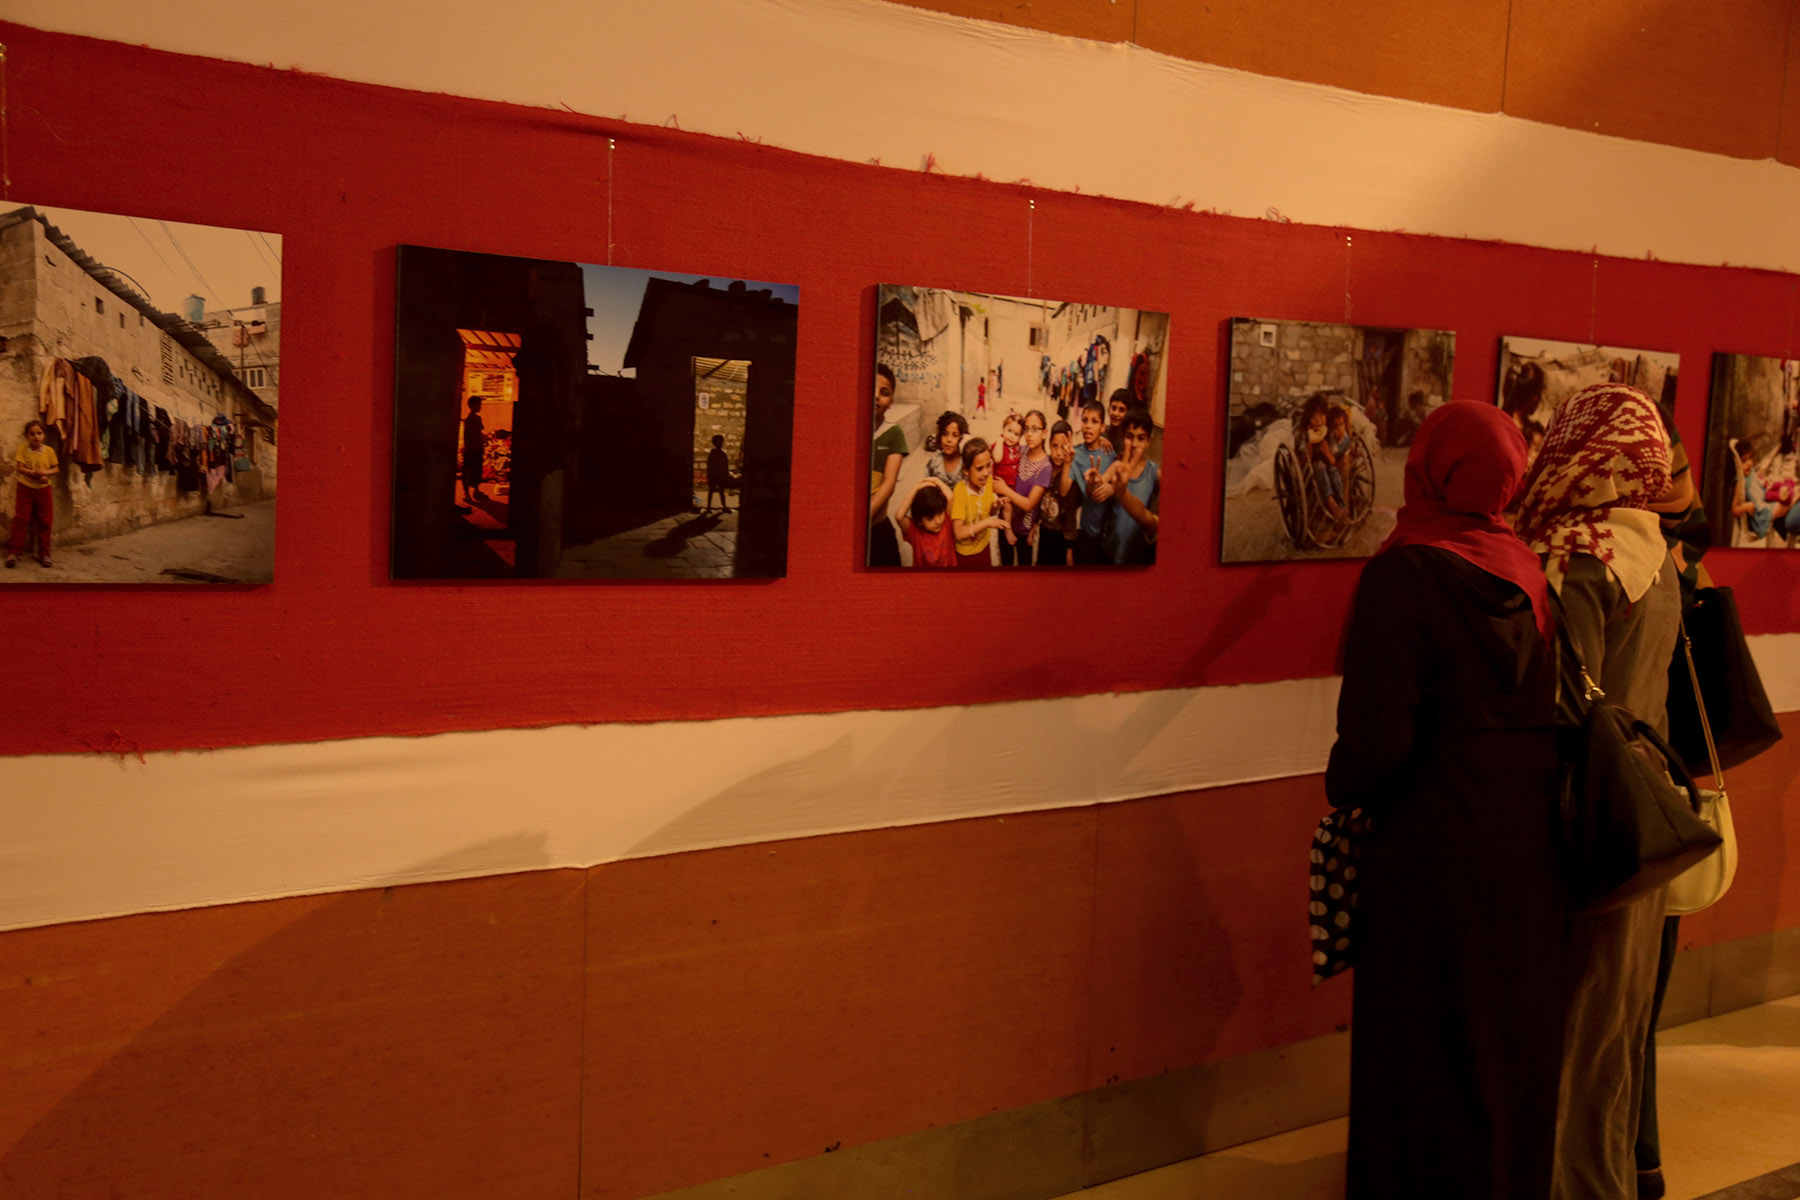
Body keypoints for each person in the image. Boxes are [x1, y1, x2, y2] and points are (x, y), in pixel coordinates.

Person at [1327, 400, 1566, 1200]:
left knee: (1421, 1039)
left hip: (1428, 847)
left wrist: (1345, 789)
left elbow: (1378, 736)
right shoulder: (1527, 571)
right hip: (1525, 847)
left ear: (1430, 467)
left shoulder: (1405, 574)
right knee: (1503, 1034)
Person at [1515, 382, 1680, 1200]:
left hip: (1582, 817)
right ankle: (1606, 1174)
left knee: (1570, 1018)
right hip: (1642, 812)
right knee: (1617, 1019)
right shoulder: (1656, 549)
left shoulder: (1581, 557)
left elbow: (1563, 704)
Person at [1092, 406, 1159, 564]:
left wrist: (1118, 491)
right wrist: (1092, 482)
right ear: (1123, 437)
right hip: (1108, 550)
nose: (1134, 444)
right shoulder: (1117, 466)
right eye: (1129, 436)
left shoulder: (1154, 473)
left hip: (1135, 555)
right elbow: (1096, 490)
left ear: (1148, 441)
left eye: (1141, 438)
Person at [994, 409, 1051, 566]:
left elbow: (1029, 504)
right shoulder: (1020, 450)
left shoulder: (1045, 467)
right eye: (1026, 429)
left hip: (1025, 530)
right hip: (1005, 523)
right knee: (1005, 568)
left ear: (1045, 433)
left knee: (1024, 570)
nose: (1029, 434)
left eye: (1035, 429)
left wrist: (1004, 489)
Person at [1070, 397, 1116, 564]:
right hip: (1085, 530)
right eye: (1085, 420)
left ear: (1103, 427)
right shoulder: (1075, 455)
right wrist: (1091, 484)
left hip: (1107, 532)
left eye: (1094, 421)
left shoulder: (1110, 454)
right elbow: (1086, 493)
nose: (1088, 425)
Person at [6, 420, 57, 569]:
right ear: (27, 436)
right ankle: (14, 553)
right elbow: (20, 468)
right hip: (25, 489)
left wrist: (45, 473)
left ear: (44, 435)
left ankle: (45, 553)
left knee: (45, 521)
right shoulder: (23, 449)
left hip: (44, 490)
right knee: (21, 520)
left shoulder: (49, 451)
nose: (36, 437)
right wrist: (33, 473)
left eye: (39, 433)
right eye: (32, 434)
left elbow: (56, 469)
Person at [950, 436, 1007, 569]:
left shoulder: (988, 482)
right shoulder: (961, 492)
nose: (986, 473)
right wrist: (987, 523)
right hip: (965, 555)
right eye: (979, 468)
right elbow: (958, 533)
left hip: (984, 548)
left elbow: (988, 513)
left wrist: (995, 507)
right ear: (966, 470)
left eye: (988, 466)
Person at [869, 364, 906, 567]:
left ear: (891, 402)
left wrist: (862, 519)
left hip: (877, 526)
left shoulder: (893, 433)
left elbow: (888, 483)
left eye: (884, 393)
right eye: (871, 388)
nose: (876, 396)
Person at [1038, 420, 1079, 566]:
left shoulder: (1069, 474)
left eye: (1064, 447)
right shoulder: (1045, 466)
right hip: (1044, 529)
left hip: (1061, 535)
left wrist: (1069, 549)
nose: (1059, 453)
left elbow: (1070, 513)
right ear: (1049, 445)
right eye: (1055, 446)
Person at [898, 477, 954, 569]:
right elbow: (899, 516)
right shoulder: (915, 533)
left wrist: (936, 481)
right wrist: (915, 489)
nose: (938, 521)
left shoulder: (946, 523)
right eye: (930, 519)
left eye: (940, 513)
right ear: (920, 521)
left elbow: (951, 498)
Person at [925, 411, 967, 488]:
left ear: (962, 438)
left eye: (955, 435)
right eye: (945, 434)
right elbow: (926, 486)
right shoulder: (935, 461)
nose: (949, 439)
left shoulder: (965, 463)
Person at [460, 396, 485, 510]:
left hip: (478, 448)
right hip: (471, 449)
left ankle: (476, 491)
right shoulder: (469, 420)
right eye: (479, 404)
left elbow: (480, 433)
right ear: (472, 405)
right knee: (468, 471)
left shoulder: (478, 418)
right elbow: (467, 436)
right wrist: (468, 448)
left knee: (477, 470)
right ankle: (467, 494)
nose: (480, 407)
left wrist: (483, 440)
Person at [704, 435, 731, 513]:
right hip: (720, 475)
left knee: (711, 491)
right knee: (721, 491)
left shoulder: (712, 453)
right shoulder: (723, 453)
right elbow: (725, 466)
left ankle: (708, 507)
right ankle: (724, 506)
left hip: (713, 474)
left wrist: (709, 474)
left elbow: (709, 465)